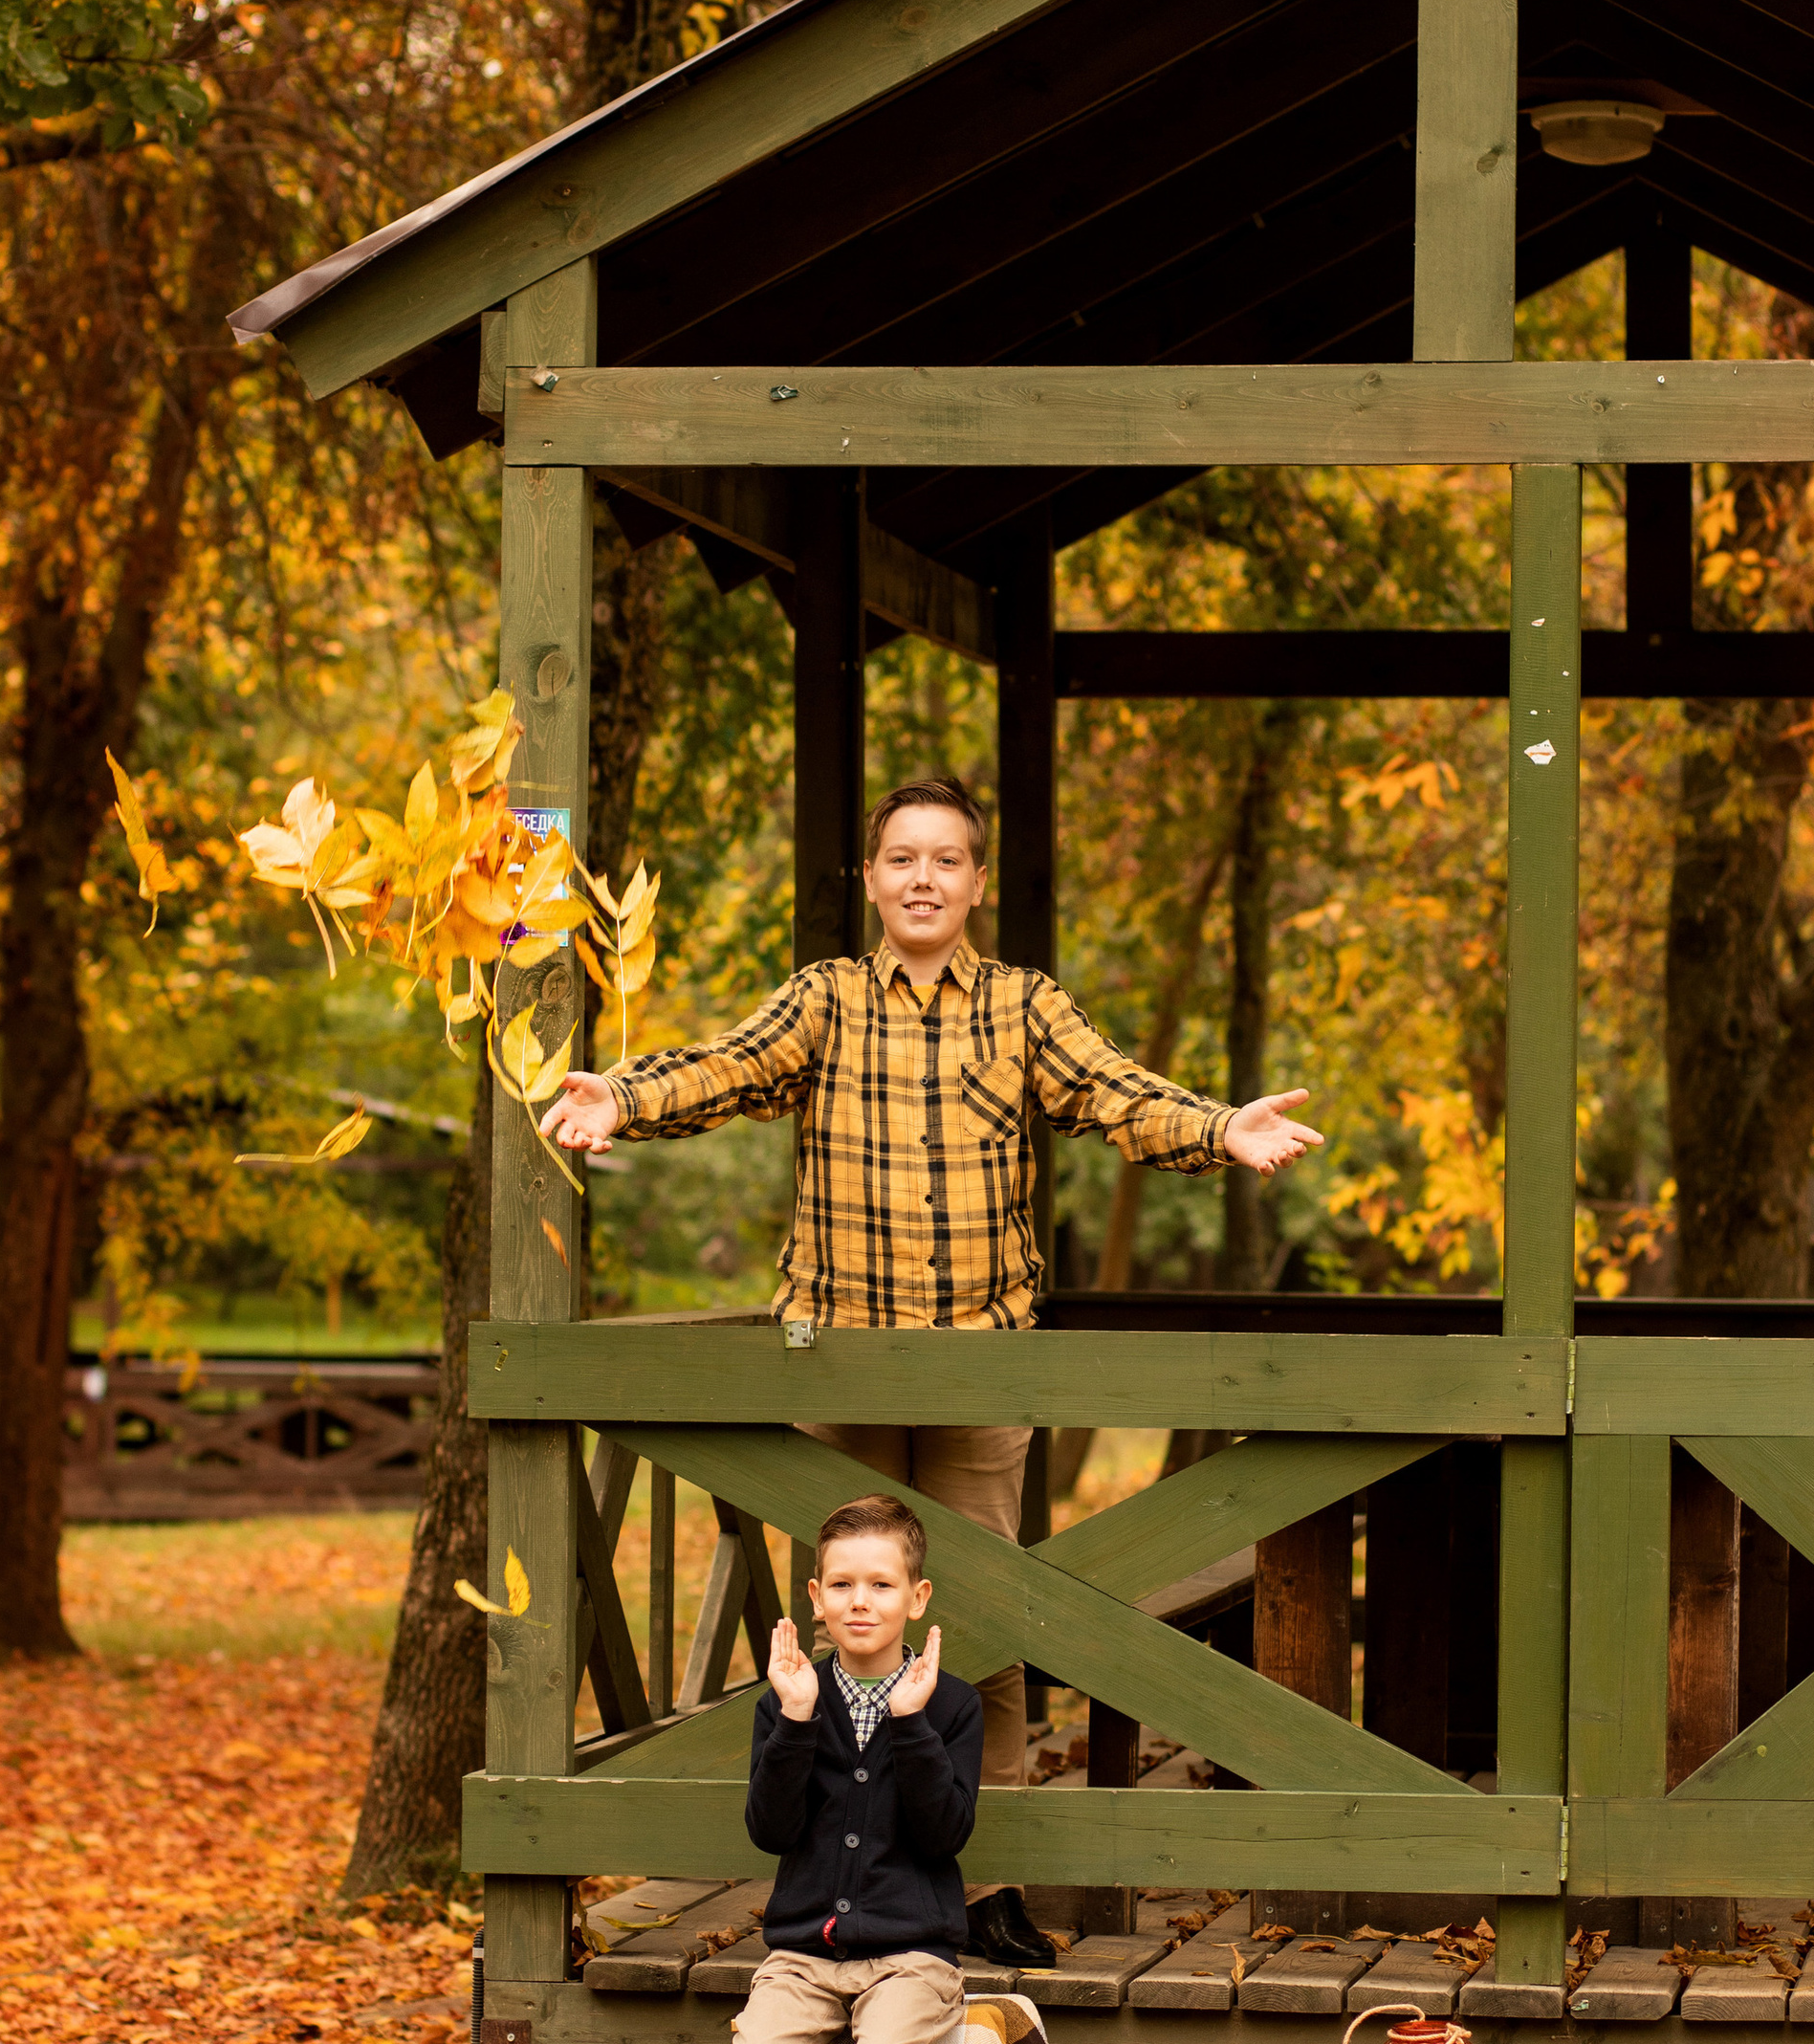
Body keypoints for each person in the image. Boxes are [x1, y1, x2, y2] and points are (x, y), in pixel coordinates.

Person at [543, 770, 1322, 1967]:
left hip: (976, 1370)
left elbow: (1116, 1094)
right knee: (849, 1625)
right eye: (902, 858)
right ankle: (838, 1881)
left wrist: (1220, 1127)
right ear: (871, 879)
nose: (923, 878)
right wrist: (623, 1096)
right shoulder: (825, 998)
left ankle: (985, 1883)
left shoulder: (1021, 1006)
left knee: (980, 1626)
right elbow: (722, 1068)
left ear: (975, 881)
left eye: (946, 859)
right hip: (839, 1370)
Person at [715, 1491, 983, 2044]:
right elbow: (770, 1828)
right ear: (815, 1599)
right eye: (841, 1585)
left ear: (918, 1596)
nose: (860, 1601)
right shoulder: (791, 1699)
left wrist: (909, 1724)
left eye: (881, 1583)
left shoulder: (951, 1705)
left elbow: (946, 1833)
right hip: (803, 1956)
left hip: (912, 1956)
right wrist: (794, 1723)